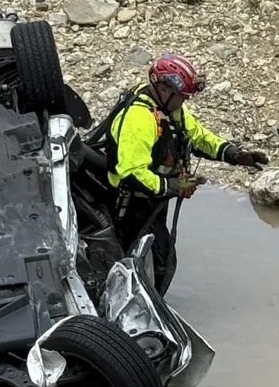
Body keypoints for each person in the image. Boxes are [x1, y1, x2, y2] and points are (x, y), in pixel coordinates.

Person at [98, 53, 270, 291]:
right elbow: (130, 173)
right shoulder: (139, 118)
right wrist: (172, 186)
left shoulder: (169, 110)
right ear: (164, 88)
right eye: (182, 96)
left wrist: (233, 154)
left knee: (161, 260)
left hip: (153, 201)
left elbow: (197, 136)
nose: (184, 102)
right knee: (159, 263)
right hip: (132, 209)